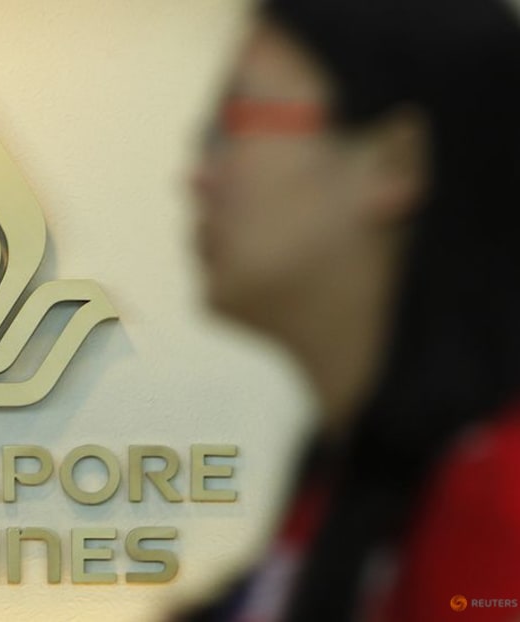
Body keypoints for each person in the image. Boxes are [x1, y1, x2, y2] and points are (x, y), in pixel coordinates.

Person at [180, 0, 520, 620]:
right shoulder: (348, 484)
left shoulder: (499, 515)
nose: (198, 177)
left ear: (396, 161)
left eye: (233, 122)